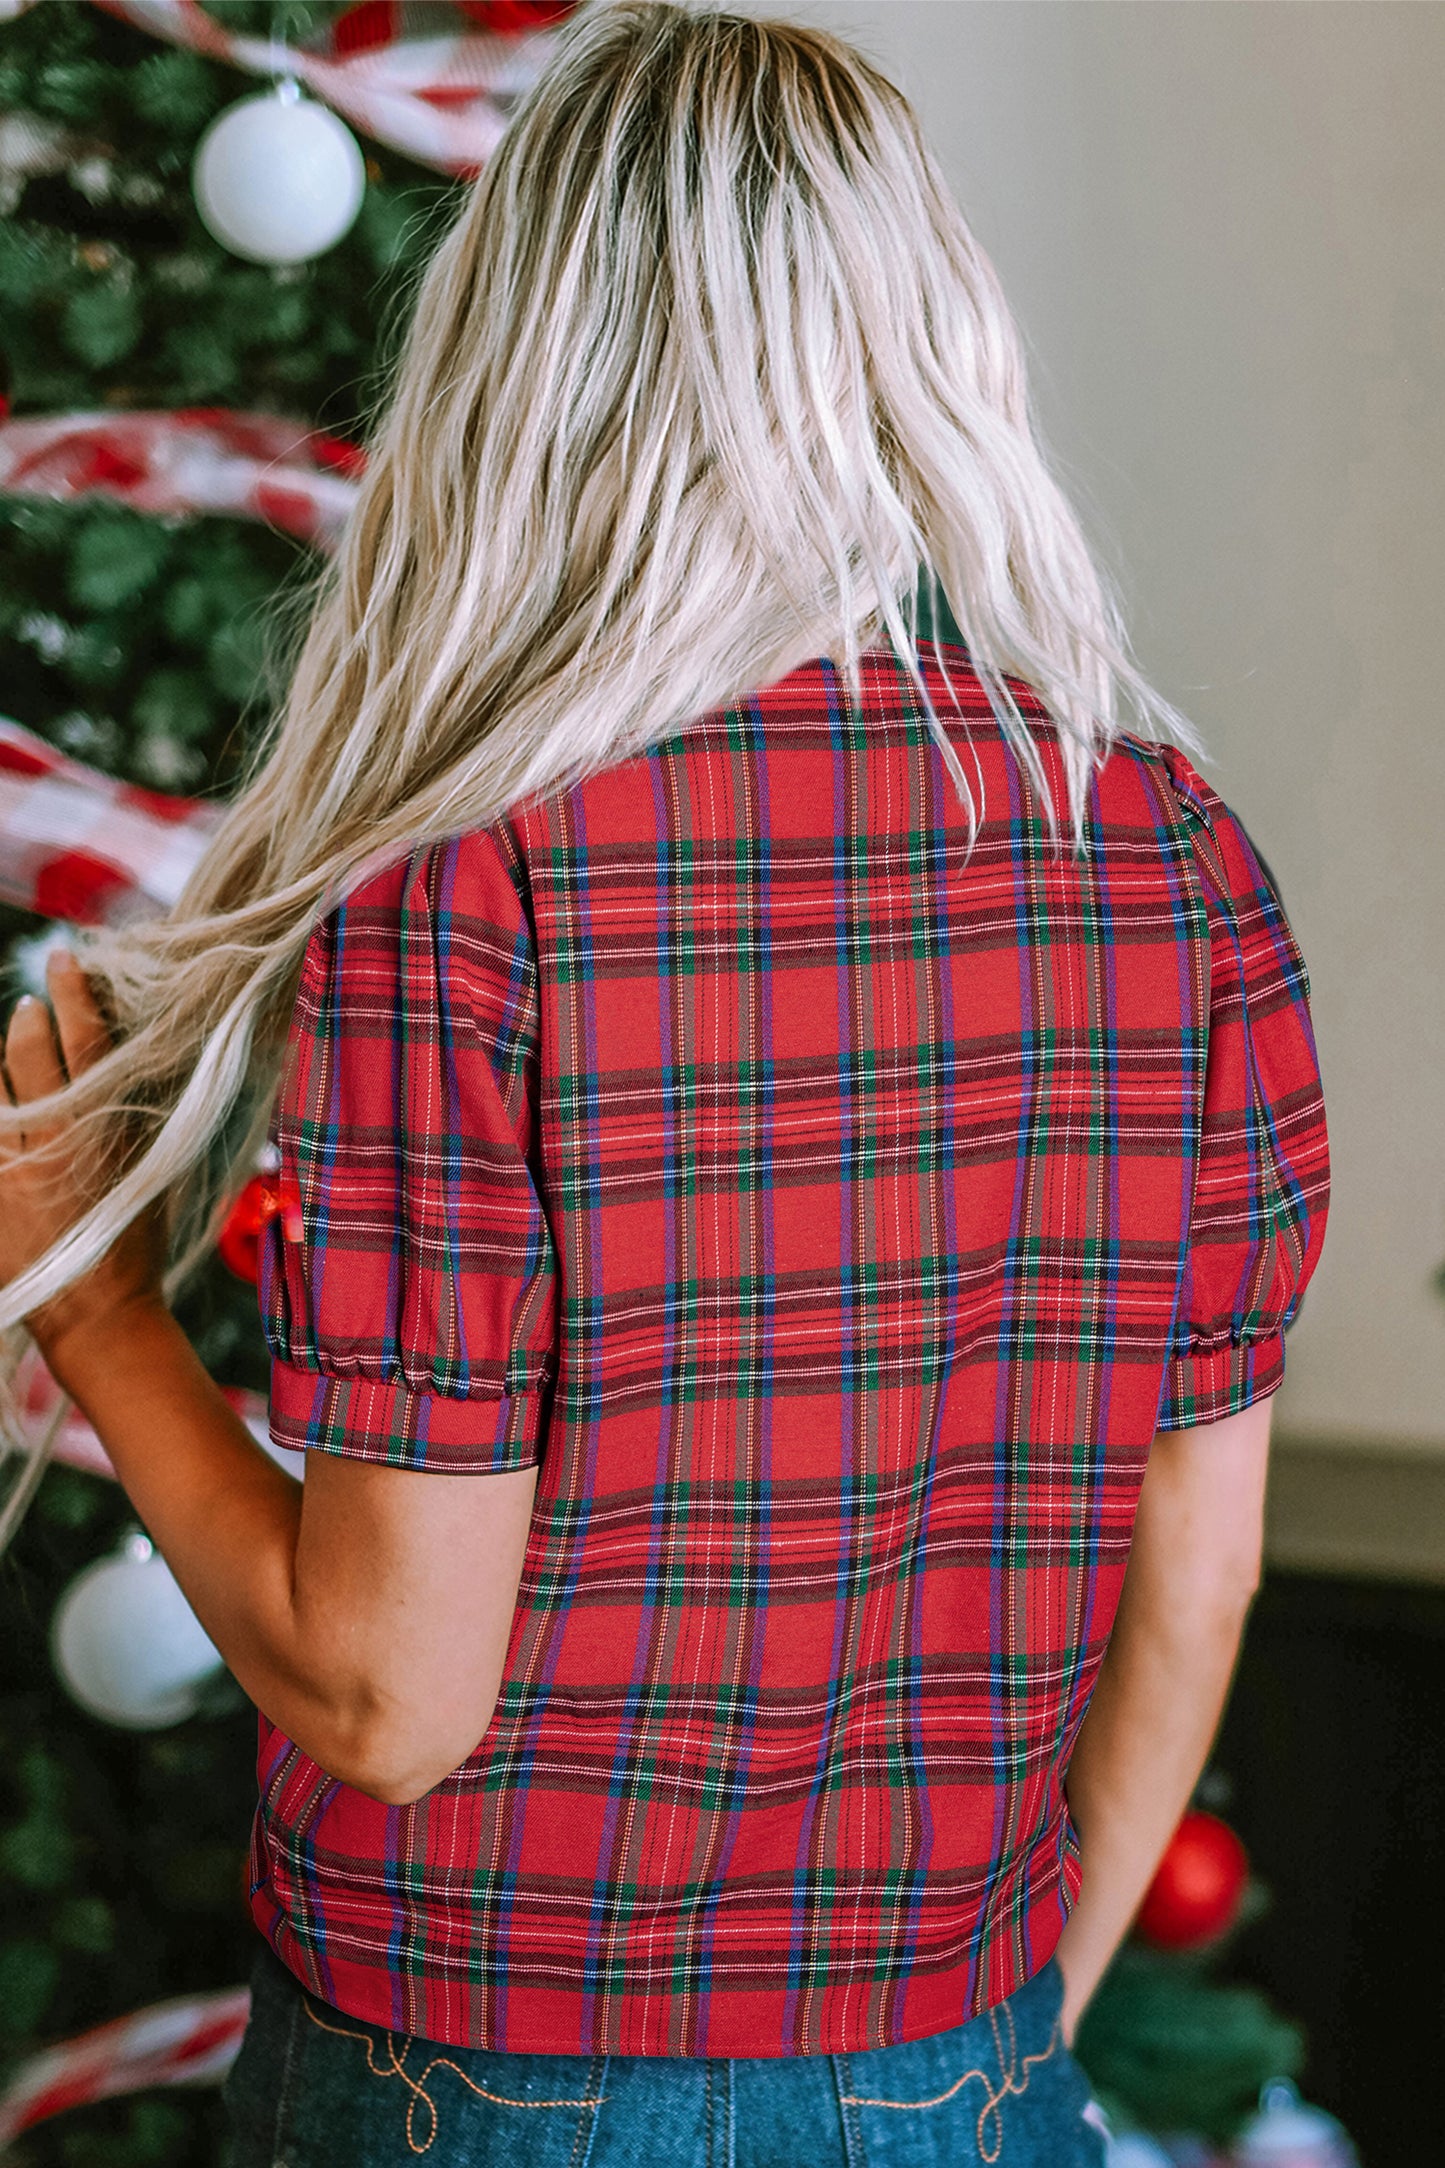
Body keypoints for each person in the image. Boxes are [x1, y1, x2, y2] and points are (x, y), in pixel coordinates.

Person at [0, 4, 1330, 2163]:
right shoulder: (1174, 858)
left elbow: (385, 1696)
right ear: (924, 337)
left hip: (485, 2096)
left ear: (525, 359)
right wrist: (1006, 2045)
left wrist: (89, 1303)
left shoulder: (473, 889)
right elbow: (1201, 1580)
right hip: (972, 2060)